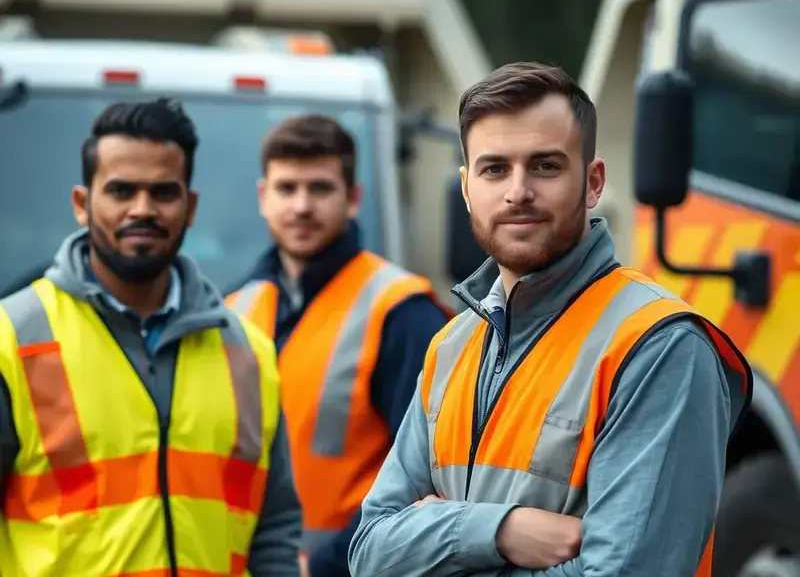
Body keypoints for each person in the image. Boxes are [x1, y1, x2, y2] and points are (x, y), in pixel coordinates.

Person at [347, 62, 752, 576]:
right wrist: (498, 531)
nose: (518, 191)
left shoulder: (658, 346)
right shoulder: (452, 345)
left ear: (593, 182)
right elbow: (367, 553)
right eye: (495, 169)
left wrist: (432, 541)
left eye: (545, 166)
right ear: (467, 188)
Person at [0, 98, 301, 576]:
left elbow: (274, 528)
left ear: (190, 205)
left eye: (163, 192)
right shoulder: (11, 338)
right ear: (82, 203)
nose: (142, 209)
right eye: (121, 191)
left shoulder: (247, 351)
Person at [225, 114, 450, 576]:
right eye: (287, 188)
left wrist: (325, 566)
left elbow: (426, 474)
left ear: (353, 199)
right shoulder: (235, 310)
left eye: (320, 188)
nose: (302, 206)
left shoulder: (400, 312)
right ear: (263, 198)